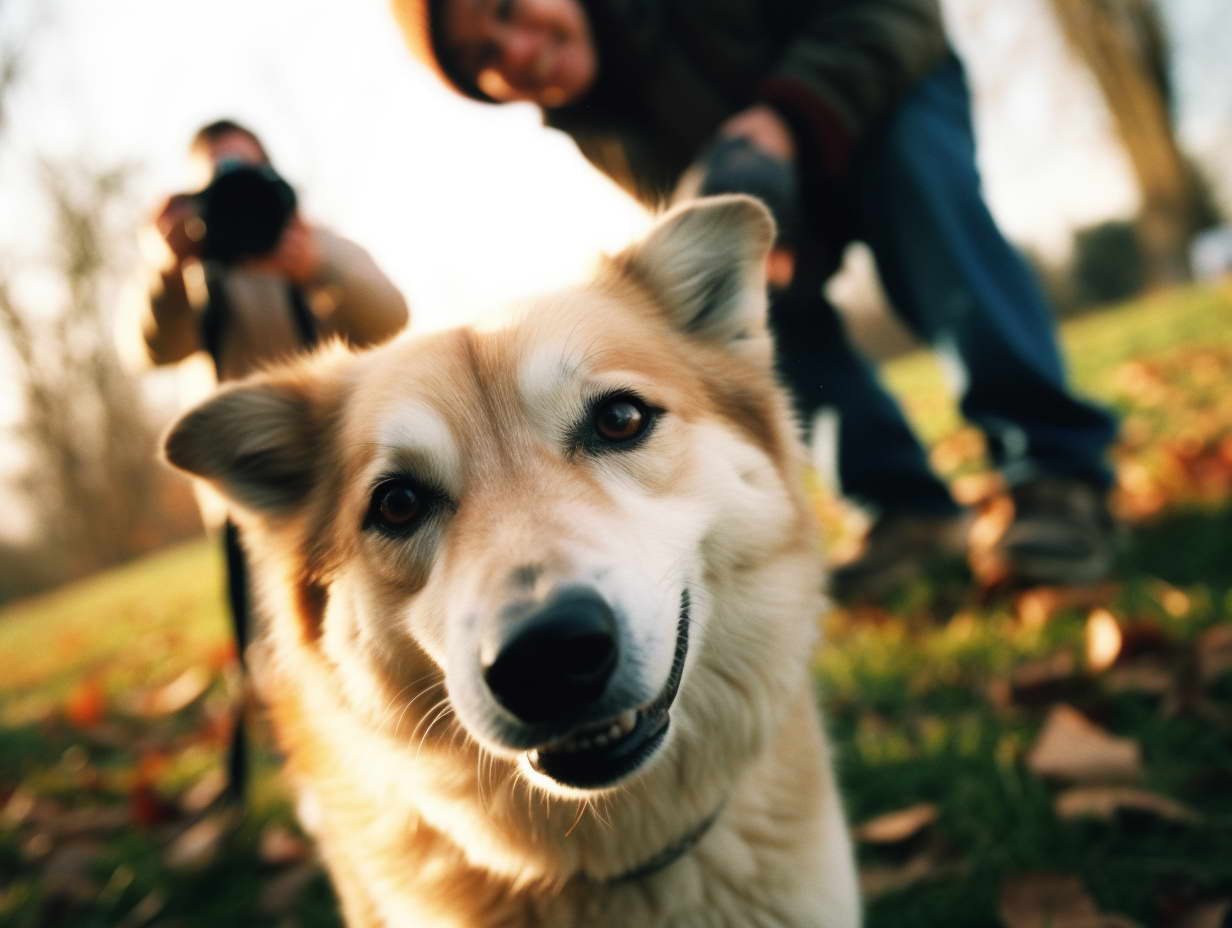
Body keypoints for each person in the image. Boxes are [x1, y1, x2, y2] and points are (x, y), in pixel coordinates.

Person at [392, 0, 1120, 599]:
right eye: (483, 62)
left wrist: (787, 119)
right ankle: (901, 507)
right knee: (748, 324)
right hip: (774, 185)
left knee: (929, 216)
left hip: (888, 87)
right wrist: (761, 256)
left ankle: (1055, 474)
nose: (514, 52)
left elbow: (893, 14)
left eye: (508, 11)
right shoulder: (596, 130)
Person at [134, 119, 410, 796]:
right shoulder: (190, 270)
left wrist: (319, 268)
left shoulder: (315, 245)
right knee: (265, 643)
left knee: (353, 627)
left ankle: (360, 762)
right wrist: (166, 267)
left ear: (274, 176)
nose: (235, 191)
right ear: (193, 196)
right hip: (242, 488)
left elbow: (390, 318)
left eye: (245, 172)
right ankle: (291, 767)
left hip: (338, 476)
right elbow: (152, 348)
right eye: (217, 179)